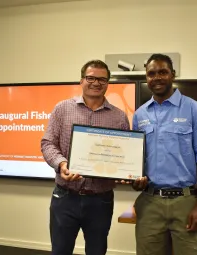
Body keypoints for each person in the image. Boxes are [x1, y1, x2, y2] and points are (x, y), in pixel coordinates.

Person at [41, 59, 130, 255]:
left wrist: (127, 171)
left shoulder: (119, 117)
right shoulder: (62, 109)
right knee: (60, 251)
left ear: (108, 83)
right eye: (91, 78)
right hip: (65, 197)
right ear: (81, 80)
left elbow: (124, 154)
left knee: (97, 251)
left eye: (102, 79)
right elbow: (47, 143)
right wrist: (62, 164)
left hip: (101, 200)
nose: (96, 83)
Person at [132, 53, 197, 255]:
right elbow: (136, 160)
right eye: (151, 73)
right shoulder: (139, 115)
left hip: (185, 203)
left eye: (163, 72)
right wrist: (136, 180)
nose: (157, 77)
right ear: (146, 77)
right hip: (150, 203)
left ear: (173, 75)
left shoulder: (194, 108)